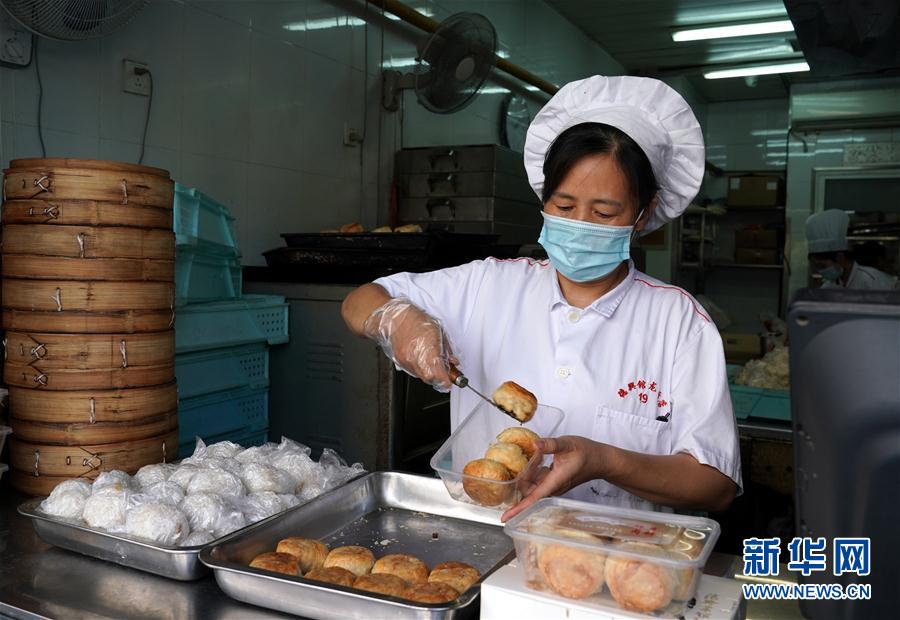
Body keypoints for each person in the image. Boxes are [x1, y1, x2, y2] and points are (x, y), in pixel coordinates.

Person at [342, 76, 741, 520]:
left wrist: (604, 461)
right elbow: (360, 301)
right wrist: (399, 321)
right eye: (565, 207)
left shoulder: (678, 322)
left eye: (604, 213)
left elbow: (715, 485)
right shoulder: (488, 285)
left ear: (644, 214)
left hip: (615, 558)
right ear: (544, 202)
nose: (581, 223)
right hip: (485, 541)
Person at [805, 209, 898, 290]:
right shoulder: (828, 287)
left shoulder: (873, 281)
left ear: (839, 257)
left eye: (822, 266)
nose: (821, 271)